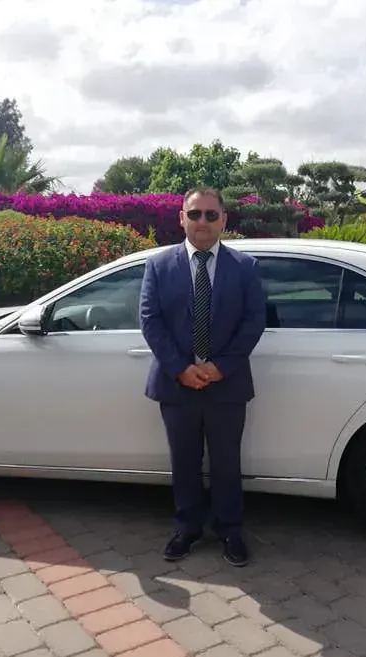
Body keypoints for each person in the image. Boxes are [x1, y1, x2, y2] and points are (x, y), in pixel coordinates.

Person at [139, 187, 267, 567]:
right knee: (184, 461)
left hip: (226, 384)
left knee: (227, 461)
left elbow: (253, 322)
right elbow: (150, 320)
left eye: (211, 215)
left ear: (224, 220)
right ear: (182, 218)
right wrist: (181, 367)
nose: (203, 223)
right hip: (176, 384)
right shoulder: (158, 266)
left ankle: (230, 530)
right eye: (195, 214)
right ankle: (188, 527)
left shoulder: (245, 268)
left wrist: (219, 367)